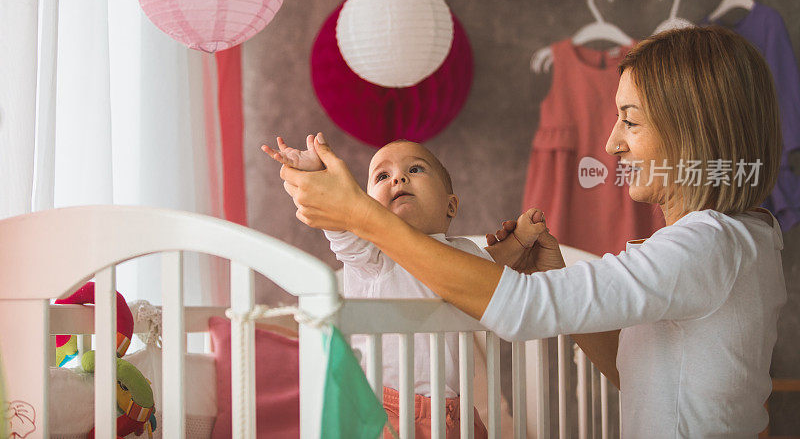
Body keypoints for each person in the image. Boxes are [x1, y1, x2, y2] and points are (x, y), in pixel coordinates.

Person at [277, 26, 787, 437]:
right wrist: (555, 274)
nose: (611, 144)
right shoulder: (743, 238)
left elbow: (519, 308)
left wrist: (364, 217)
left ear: (690, 132)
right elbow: (643, 379)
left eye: (630, 122)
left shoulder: (706, 245)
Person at [263, 137, 545, 439]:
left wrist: (519, 242)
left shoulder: (464, 253)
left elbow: (492, 275)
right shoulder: (373, 253)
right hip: (388, 412)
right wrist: (318, 177)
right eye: (382, 176)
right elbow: (342, 226)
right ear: (367, 206)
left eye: (415, 169)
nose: (398, 178)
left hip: (457, 415)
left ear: (450, 205)